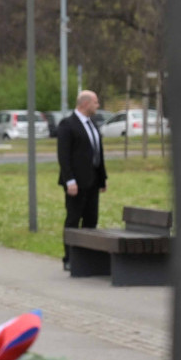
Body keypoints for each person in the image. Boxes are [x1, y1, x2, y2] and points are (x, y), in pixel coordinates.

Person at [57, 90, 108, 270]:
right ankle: (69, 258)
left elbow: (97, 153)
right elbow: (63, 156)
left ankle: (86, 259)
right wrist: (69, 180)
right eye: (95, 102)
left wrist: (103, 178)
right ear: (85, 104)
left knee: (91, 220)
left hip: (92, 181)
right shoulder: (68, 124)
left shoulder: (92, 124)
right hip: (76, 183)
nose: (98, 105)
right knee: (73, 219)